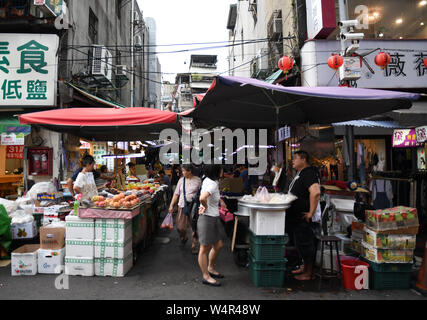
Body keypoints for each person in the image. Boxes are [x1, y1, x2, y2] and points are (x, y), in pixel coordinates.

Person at [287, 150, 321, 281]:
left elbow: (316, 192)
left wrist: (311, 213)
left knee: (306, 244)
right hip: (297, 217)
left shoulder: (309, 173)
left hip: (305, 217)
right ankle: (304, 266)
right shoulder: (301, 174)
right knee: (300, 244)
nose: (293, 161)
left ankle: (309, 273)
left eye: (295, 158)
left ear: (303, 159)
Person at [198, 164, 228, 287]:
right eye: (221, 169)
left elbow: (209, 194)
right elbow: (202, 197)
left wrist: (220, 200)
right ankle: (206, 276)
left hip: (213, 218)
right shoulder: (213, 183)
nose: (222, 171)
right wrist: (205, 206)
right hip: (207, 219)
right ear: (216, 170)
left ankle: (210, 268)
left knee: (218, 245)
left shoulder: (209, 180)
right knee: (204, 249)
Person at [168, 164, 201, 254]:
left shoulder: (198, 180)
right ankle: (184, 238)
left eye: (183, 171)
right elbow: (176, 194)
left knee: (194, 227)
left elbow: (202, 194)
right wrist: (171, 205)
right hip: (182, 206)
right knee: (180, 227)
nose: (182, 173)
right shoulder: (181, 180)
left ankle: (194, 245)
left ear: (189, 171)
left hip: (194, 207)